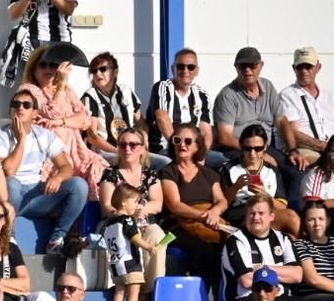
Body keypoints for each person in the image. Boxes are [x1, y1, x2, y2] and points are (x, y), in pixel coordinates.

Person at [0, 88, 87, 255]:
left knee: (79, 185)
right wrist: (21, 140)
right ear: (10, 110)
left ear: (34, 113)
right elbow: (8, 171)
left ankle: (56, 240)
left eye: (26, 105)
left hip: (37, 195)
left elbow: (66, 167)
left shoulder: (45, 135)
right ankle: (8, 238)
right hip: (11, 197)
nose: (20, 108)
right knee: (11, 183)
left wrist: (58, 177)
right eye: (16, 104)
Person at [222, 194, 334, 301]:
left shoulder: (284, 238)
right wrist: (283, 271)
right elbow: (247, 280)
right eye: (251, 214)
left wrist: (260, 267)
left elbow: (297, 275)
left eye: (261, 213)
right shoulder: (236, 241)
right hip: (249, 299)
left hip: (283, 299)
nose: (256, 217)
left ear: (271, 217)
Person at [20, 44, 107, 185]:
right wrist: (61, 84)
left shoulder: (66, 90)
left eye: (53, 65)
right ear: (33, 69)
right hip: (49, 154)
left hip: (76, 150)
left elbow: (85, 119)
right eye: (43, 65)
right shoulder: (29, 90)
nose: (48, 69)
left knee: (101, 171)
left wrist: (62, 122)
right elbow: (52, 112)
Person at [156, 125, 231, 288]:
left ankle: (224, 298)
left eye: (188, 141)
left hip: (207, 222)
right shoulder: (168, 172)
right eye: (177, 140)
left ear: (197, 146)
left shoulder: (209, 174)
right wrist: (204, 216)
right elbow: (175, 206)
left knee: (232, 245)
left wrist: (214, 212)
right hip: (175, 228)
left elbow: (222, 201)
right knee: (202, 248)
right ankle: (201, 298)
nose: (182, 145)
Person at [102, 183, 168, 301]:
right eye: (135, 201)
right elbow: (135, 238)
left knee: (119, 291)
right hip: (130, 262)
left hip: (116, 264)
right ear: (124, 202)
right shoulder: (127, 220)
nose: (137, 205)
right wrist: (149, 247)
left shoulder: (109, 223)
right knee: (134, 290)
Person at [221, 123, 298, 235]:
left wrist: (265, 195)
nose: (252, 153)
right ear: (241, 146)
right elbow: (222, 204)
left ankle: (304, 250)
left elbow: (282, 206)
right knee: (290, 217)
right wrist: (236, 186)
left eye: (258, 149)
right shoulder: (228, 168)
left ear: (265, 147)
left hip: (268, 212)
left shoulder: (272, 170)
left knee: (291, 234)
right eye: (248, 148)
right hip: (242, 214)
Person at [214, 47, 282, 172]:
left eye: (252, 65)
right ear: (236, 68)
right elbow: (225, 136)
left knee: (296, 170)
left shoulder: (268, 86)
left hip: (265, 147)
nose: (247, 70)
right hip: (239, 149)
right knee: (268, 169)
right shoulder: (227, 95)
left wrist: (294, 150)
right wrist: (256, 152)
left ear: (261, 66)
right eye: (242, 66)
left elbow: (282, 122)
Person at [82, 52, 155, 167]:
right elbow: (92, 137)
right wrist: (119, 151)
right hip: (105, 153)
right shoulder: (90, 96)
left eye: (102, 69)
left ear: (115, 72)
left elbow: (141, 124)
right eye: (94, 71)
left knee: (164, 163)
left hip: (131, 150)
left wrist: (144, 143)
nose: (97, 73)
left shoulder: (126, 91)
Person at [147, 48, 217, 162]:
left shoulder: (202, 94)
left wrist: (202, 155)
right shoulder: (163, 87)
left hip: (193, 150)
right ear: (173, 69)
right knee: (167, 163)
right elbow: (161, 117)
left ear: (197, 71)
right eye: (180, 66)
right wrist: (178, 147)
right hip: (165, 149)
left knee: (223, 161)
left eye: (191, 67)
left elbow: (206, 131)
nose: (185, 71)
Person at [278, 46, 334, 177]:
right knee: (325, 165)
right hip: (306, 149)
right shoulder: (288, 95)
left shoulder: (329, 97)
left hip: (329, 147)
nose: (304, 71)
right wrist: (324, 146)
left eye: (308, 66)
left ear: (318, 67)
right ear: (294, 68)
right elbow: (293, 133)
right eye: (299, 67)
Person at [97, 127, 163, 218]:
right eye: (123, 145)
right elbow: (107, 207)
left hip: (145, 222)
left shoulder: (150, 174)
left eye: (133, 145)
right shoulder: (110, 174)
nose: (127, 149)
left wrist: (140, 210)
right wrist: (129, 214)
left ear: (143, 149)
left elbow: (157, 204)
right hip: (117, 224)